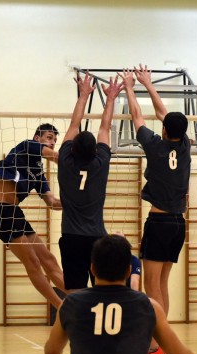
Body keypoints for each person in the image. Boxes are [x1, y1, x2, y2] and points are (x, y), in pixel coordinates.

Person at [44, 234, 197, 354]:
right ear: (128, 271)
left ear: (92, 269)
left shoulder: (71, 303)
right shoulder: (149, 307)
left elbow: (51, 352)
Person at [120, 64, 191, 339]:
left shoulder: (155, 146)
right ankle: (163, 334)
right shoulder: (184, 146)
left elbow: (137, 116)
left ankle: (156, 337)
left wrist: (130, 87)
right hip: (178, 224)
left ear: (163, 129)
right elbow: (164, 115)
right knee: (162, 283)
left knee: (152, 286)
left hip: (159, 222)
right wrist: (148, 85)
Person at [0, 123, 65, 308]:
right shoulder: (26, 146)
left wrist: (76, 203)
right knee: (33, 262)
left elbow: (51, 202)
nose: (52, 142)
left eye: (55, 140)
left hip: (16, 214)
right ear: (37, 138)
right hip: (1, 212)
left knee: (49, 259)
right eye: (49, 137)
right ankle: (62, 307)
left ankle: (80, 299)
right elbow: (55, 157)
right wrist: (76, 163)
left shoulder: (38, 172)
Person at [57, 72, 123, 290]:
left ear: (71, 149)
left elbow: (73, 125)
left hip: (71, 236)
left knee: (74, 291)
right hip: (96, 238)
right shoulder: (100, 163)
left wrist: (84, 94)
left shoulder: (65, 161)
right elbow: (104, 128)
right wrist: (110, 98)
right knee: (102, 289)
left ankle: (77, 316)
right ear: (95, 151)